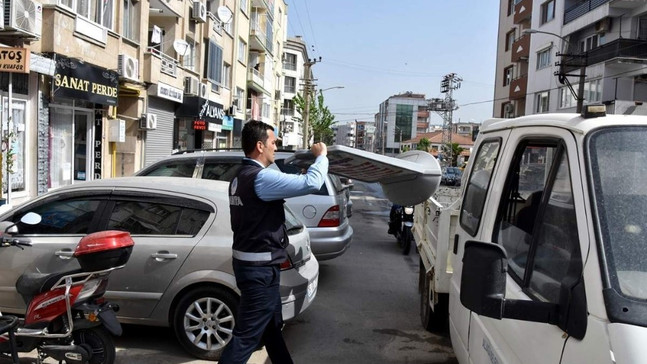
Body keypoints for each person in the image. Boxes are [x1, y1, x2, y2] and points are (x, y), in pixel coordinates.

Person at [220, 120, 328, 364]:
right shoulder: (259, 178)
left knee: (271, 327)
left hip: (255, 267)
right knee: (246, 338)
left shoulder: (241, 176)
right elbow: (312, 183)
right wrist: (321, 157)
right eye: (273, 142)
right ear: (260, 146)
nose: (276, 146)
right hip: (259, 271)